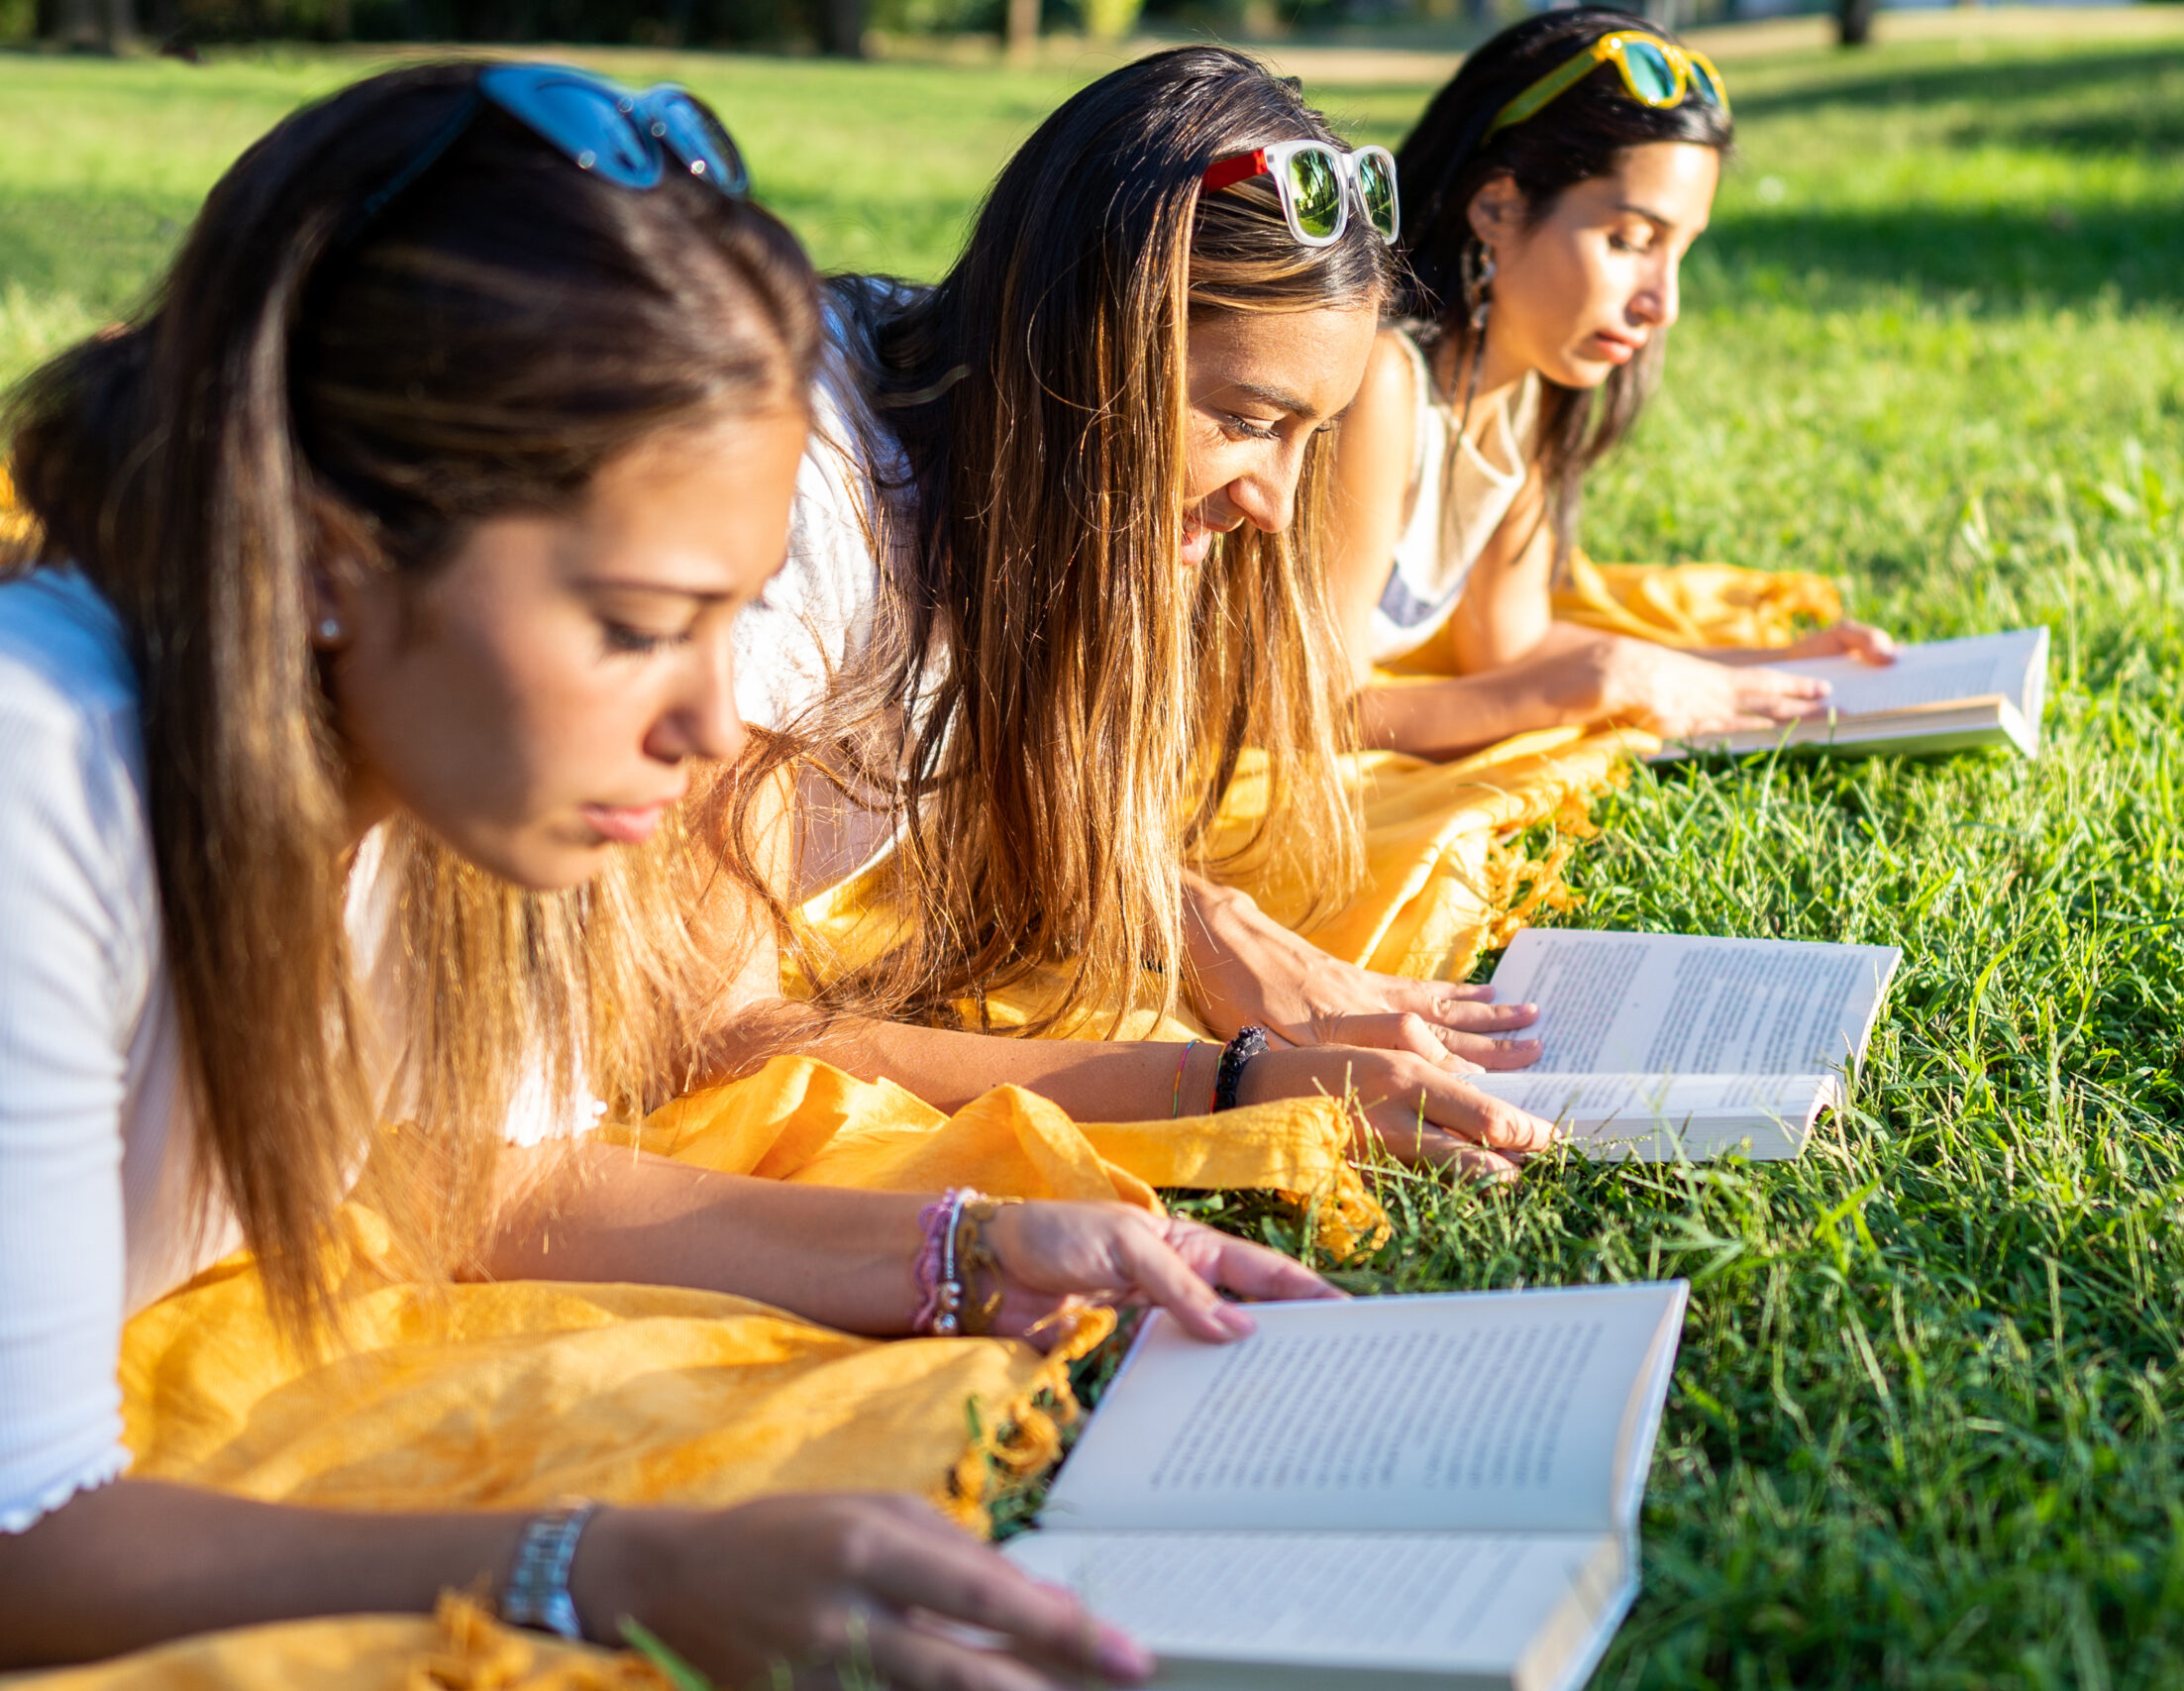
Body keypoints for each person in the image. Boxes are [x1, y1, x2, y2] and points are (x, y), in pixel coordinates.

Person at [0, 62, 1333, 1685]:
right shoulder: (41, 776)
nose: (710, 722)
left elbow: (452, 1174)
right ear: (329, 545)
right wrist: (599, 1560)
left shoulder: (415, 763)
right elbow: (30, 1544)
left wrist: (964, 1249)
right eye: (637, 627)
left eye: (734, 614)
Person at [703, 48, 1558, 1176]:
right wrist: (1229, 1082)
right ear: (1085, 347)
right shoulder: (804, 508)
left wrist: (1199, 918)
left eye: (1311, 435)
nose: (1275, 504)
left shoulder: (1011, 460)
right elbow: (708, 1033)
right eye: (1249, 419)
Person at [1325, 11, 1896, 761]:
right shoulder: (1381, 379)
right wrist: (1598, 682)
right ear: (1497, 206)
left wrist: (1780, 669)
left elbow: (1509, 647)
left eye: (1679, 250)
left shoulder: (1519, 392)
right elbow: (1305, 713)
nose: (1665, 303)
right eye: (1630, 241)